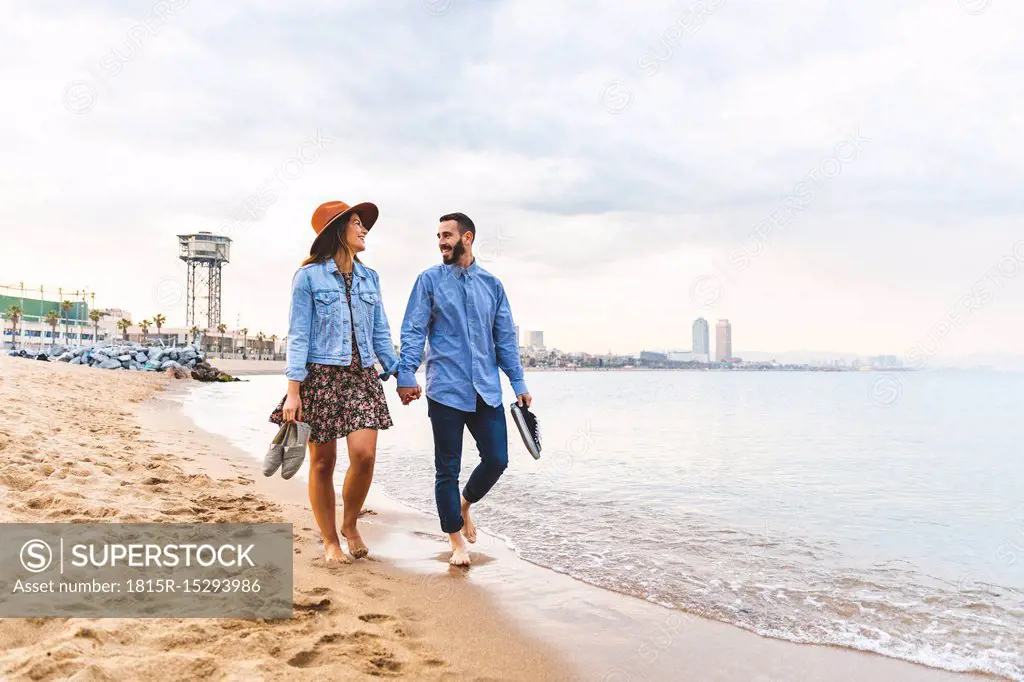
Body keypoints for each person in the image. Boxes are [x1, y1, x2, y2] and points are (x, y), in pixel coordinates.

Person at [396, 212, 531, 566]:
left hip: (486, 390)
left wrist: (518, 382)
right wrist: (407, 373)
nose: (441, 241)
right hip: (445, 390)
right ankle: (456, 542)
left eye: (447, 235)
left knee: (497, 459)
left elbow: (505, 339)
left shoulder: (493, 285)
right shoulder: (428, 281)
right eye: (438, 236)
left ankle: (464, 505)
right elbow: (413, 330)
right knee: (447, 470)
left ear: (467, 238)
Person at [269, 200, 400, 563]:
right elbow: (298, 335)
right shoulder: (308, 277)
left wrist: (400, 374)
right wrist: (293, 393)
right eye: (357, 223)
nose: (364, 230)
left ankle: (350, 523)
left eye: (364, 224)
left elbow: (380, 332)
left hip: (361, 376)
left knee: (365, 455)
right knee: (323, 463)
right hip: (320, 376)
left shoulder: (369, 278)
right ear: (338, 230)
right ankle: (330, 541)